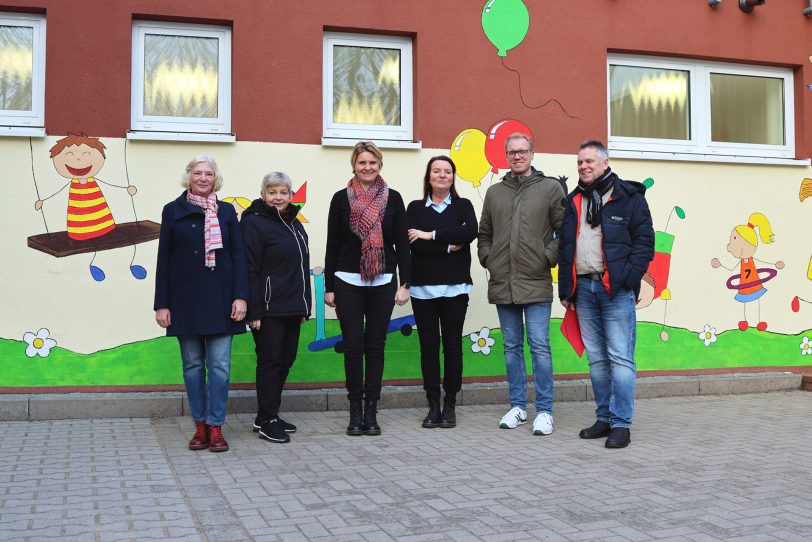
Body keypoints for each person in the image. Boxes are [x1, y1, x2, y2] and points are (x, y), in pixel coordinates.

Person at [558, 140, 654, 449]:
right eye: (580, 162)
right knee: (597, 360)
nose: (583, 166)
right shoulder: (574, 200)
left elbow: (644, 242)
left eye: (589, 161)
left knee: (620, 359)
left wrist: (628, 278)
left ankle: (622, 424)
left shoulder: (629, 197)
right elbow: (566, 247)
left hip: (615, 289)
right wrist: (566, 288)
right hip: (583, 289)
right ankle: (604, 418)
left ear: (605, 162)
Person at [154, 155, 248, 453]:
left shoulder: (226, 211)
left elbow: (238, 256)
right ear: (189, 176)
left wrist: (241, 296)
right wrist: (162, 304)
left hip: (222, 298)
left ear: (215, 178)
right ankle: (200, 427)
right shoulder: (172, 210)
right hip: (185, 300)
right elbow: (164, 260)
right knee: (193, 366)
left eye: (209, 173)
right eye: (198, 173)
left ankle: (216, 426)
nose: (204, 178)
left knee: (219, 366)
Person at [477, 132, 564, 436]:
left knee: (540, 347)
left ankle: (544, 411)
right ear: (506, 155)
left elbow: (563, 230)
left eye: (522, 151)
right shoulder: (495, 192)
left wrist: (547, 256)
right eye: (512, 152)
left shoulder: (550, 188)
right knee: (512, 347)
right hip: (504, 282)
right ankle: (517, 407)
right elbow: (484, 231)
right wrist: (488, 257)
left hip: (536, 280)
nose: (517, 156)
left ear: (532, 153)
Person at [324, 141, 411, 436]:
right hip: (347, 281)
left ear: (380, 164)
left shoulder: (393, 199)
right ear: (354, 165)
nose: (367, 167)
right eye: (362, 162)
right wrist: (329, 287)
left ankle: (371, 410)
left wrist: (405, 283)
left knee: (375, 346)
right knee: (352, 346)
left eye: (372, 162)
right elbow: (332, 244)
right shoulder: (340, 199)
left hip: (383, 281)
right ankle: (355, 411)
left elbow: (401, 244)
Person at [240, 172, 312, 444]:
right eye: (272, 192)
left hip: (293, 306)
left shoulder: (295, 223)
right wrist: (254, 311)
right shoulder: (253, 223)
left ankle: (267, 414)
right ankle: (267, 420)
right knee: (270, 362)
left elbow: (302, 266)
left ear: (290, 195)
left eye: (283, 192)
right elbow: (249, 268)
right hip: (268, 308)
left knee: (286, 360)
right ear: (263, 195)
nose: (278, 197)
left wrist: (306, 305)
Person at [407, 156, 478, 429]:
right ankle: (432, 404)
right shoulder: (414, 208)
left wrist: (430, 235)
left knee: (452, 346)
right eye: (436, 171)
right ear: (429, 176)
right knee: (428, 348)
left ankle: (450, 405)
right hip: (423, 289)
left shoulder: (463, 206)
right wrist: (449, 244)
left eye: (447, 172)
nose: (442, 175)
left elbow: (469, 231)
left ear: (453, 177)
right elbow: (412, 243)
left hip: (455, 289)